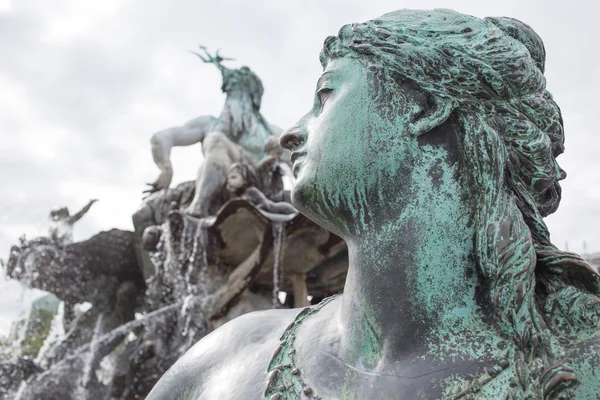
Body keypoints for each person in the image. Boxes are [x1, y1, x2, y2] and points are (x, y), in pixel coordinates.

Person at [147, 10, 600, 399]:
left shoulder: (587, 363)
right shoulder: (221, 361)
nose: (290, 133)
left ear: (422, 106)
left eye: (325, 95)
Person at [145, 47, 283, 217]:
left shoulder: (271, 133)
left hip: (258, 185)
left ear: (254, 97)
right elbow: (160, 138)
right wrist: (166, 169)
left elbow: (304, 160)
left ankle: (198, 207)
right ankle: (199, 207)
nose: (237, 98)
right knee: (216, 140)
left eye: (244, 91)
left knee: (217, 139)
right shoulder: (208, 124)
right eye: (233, 90)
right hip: (222, 183)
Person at [225, 162, 297, 215]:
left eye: (233, 177)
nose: (229, 181)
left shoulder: (251, 191)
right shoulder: (240, 195)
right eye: (228, 179)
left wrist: (253, 210)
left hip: (282, 210)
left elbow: (265, 204)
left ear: (245, 179)